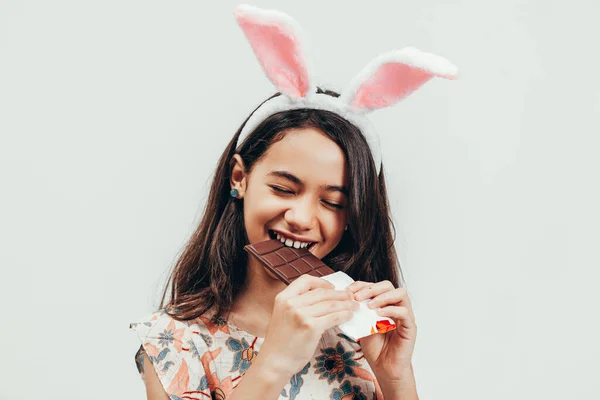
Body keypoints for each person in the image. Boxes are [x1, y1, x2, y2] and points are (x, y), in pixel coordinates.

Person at [129, 4, 457, 400]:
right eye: (284, 189)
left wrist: (396, 377)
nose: (302, 218)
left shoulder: (364, 337)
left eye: (333, 203)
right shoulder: (175, 342)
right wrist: (274, 363)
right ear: (239, 178)